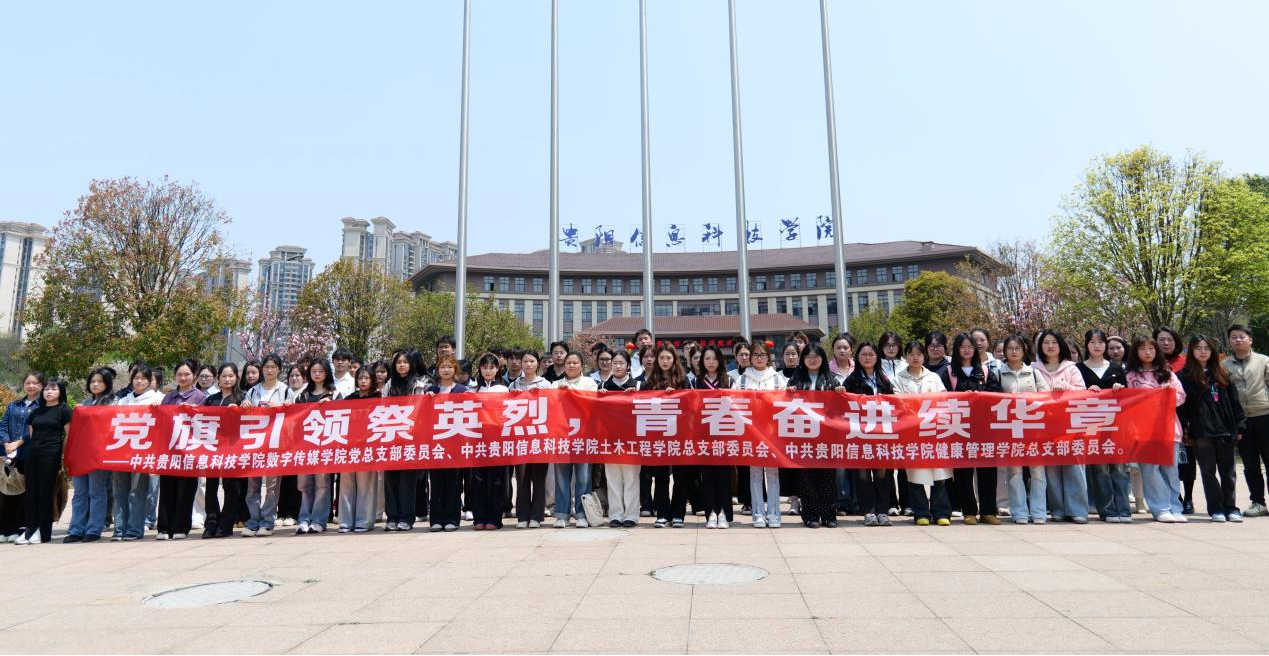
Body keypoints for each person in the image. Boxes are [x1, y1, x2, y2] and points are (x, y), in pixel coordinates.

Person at [1180, 335, 1245, 522]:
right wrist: (1185, 427)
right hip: (1201, 430)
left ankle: (1231, 508)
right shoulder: (1184, 375)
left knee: (1228, 471)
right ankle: (1216, 509)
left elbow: (1234, 401)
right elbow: (1182, 406)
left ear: (1212, 351)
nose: (1203, 352)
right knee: (1208, 471)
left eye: (1207, 348)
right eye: (1198, 348)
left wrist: (1240, 425)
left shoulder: (1221, 372)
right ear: (1192, 351)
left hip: (1225, 428)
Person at [939, 332, 1002, 525]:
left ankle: (988, 511)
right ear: (956, 349)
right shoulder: (948, 372)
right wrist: (961, 397)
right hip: (959, 428)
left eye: (970, 347)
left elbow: (997, 394)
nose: (967, 350)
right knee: (963, 472)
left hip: (984, 428)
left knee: (988, 471)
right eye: (963, 347)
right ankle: (969, 511)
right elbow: (941, 397)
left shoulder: (984, 371)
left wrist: (979, 396)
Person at [1126, 335, 1188, 523]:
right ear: (1136, 352)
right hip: (1143, 429)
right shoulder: (1130, 375)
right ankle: (1160, 508)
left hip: (1168, 428)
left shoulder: (1167, 373)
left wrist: (1170, 393)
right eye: (1143, 349)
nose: (1147, 352)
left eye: (1151, 349)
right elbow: (1126, 401)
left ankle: (1175, 507)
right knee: (1150, 470)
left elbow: (1181, 397)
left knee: (1171, 469)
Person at [1033, 329, 1090, 523]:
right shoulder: (1034, 368)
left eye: (1054, 342)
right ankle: (1057, 509)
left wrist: (1067, 388)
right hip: (1045, 424)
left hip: (1071, 424)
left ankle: (1078, 510)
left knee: (1075, 466)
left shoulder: (1071, 368)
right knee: (1052, 468)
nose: (1050, 346)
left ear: (1061, 346)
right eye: (1045, 342)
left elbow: (1082, 392)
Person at [893, 341, 953, 526]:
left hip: (935, 431)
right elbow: (897, 402)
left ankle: (941, 512)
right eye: (911, 354)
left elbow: (943, 399)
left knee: (940, 474)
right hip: (912, 432)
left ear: (924, 356)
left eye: (919, 354)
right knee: (915, 476)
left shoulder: (933, 377)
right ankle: (921, 513)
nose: (915, 358)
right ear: (906, 356)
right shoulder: (898, 378)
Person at [1078, 329, 1132, 522]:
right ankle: (1107, 510)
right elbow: (1074, 394)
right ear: (1086, 345)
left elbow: (1128, 398)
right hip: (1091, 426)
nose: (1097, 346)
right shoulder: (1079, 369)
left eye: (1100, 342)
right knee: (1100, 470)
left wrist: (1119, 389)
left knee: (1119, 468)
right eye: (1092, 342)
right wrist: (1085, 391)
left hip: (1115, 425)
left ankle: (1124, 510)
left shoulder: (1116, 368)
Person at [8, 380, 72, 545]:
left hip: (51, 454)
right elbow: (31, 434)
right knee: (31, 494)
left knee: (45, 493)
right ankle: (29, 530)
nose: (49, 391)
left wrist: (63, 454)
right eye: (47, 389)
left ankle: (42, 532)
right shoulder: (36, 411)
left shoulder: (64, 410)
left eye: (54, 389)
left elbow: (68, 435)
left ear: (60, 392)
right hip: (33, 455)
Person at [998, 334, 1052, 524]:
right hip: (1010, 429)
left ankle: (1039, 512)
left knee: (1038, 472)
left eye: (1017, 348)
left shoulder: (1034, 373)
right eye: (1010, 348)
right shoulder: (998, 373)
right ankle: (1019, 511)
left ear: (1024, 350)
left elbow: (1046, 396)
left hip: (1033, 429)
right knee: (1014, 473)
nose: (1014, 351)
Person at [842, 343, 897, 527]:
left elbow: (894, 402)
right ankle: (869, 511)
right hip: (860, 434)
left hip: (882, 434)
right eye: (863, 354)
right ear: (857, 358)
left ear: (877, 357)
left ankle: (883, 511)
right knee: (863, 475)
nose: (867, 358)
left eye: (871, 354)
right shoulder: (851, 380)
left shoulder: (885, 379)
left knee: (883, 474)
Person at [734, 341, 787, 528]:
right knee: (755, 474)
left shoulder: (777, 378)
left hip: (772, 433)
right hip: (751, 433)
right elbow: (733, 403)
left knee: (772, 474)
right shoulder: (742, 379)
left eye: (762, 354)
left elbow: (785, 402)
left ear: (768, 357)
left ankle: (774, 514)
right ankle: (758, 514)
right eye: (755, 354)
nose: (759, 358)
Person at [242, 354, 296, 537]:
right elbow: (245, 415)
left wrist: (282, 407)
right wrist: (244, 405)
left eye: (273, 367)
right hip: (255, 443)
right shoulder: (253, 391)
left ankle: (267, 521)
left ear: (279, 369)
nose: (269, 370)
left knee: (272, 486)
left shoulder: (286, 391)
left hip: (275, 444)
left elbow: (293, 417)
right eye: (266, 367)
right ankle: (253, 521)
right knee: (253, 486)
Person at [788, 343, 842, 528]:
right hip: (803, 435)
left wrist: (839, 392)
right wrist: (789, 392)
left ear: (823, 359)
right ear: (803, 359)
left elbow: (840, 406)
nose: (812, 360)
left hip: (826, 435)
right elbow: (786, 403)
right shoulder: (796, 378)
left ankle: (829, 514)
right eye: (808, 356)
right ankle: (810, 514)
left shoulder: (831, 379)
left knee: (827, 476)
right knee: (806, 476)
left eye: (816, 356)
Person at [156, 358, 208, 540]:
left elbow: (208, 422)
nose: (183, 377)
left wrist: (195, 411)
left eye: (187, 374)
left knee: (186, 490)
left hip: (190, 451)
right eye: (180, 374)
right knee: (167, 489)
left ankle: (180, 527)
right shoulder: (168, 397)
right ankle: (164, 527)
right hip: (169, 450)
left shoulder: (201, 397)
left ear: (194, 376)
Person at [109, 366, 162, 541]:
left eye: (143, 378)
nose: (139, 381)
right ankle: (119, 529)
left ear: (149, 380)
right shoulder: (123, 400)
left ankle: (134, 529)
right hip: (121, 450)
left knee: (137, 492)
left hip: (143, 452)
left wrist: (159, 409)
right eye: (136, 378)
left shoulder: (158, 398)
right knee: (119, 491)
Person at [65, 368, 115, 543]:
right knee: (79, 492)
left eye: (100, 381)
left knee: (96, 491)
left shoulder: (114, 403)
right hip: (81, 453)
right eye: (92, 381)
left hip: (99, 454)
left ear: (107, 383)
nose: (95, 384)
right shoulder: (84, 404)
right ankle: (76, 529)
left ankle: (94, 529)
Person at [1224, 324, 1269, 517]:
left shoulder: (1263, 361)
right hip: (1241, 421)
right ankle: (1258, 502)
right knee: (1250, 464)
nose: (1238, 340)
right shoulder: (1224, 365)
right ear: (1229, 341)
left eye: (1241, 336)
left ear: (1250, 339)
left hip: (1265, 415)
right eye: (1234, 337)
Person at [640, 345, 686, 528]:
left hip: (680, 435)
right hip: (658, 435)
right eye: (661, 358)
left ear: (674, 359)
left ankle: (678, 514)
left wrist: (676, 395)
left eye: (668, 358)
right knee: (661, 477)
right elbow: (641, 404)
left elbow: (691, 405)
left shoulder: (683, 380)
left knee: (681, 477)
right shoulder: (650, 382)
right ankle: (662, 513)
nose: (665, 361)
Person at [381, 349, 426, 532]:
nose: (402, 365)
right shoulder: (389, 385)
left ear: (411, 365)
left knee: (407, 481)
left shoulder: (418, 384)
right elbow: (382, 407)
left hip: (410, 437)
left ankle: (407, 517)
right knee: (390, 479)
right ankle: (392, 517)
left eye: (405, 362)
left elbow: (421, 409)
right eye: (399, 362)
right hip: (391, 436)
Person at [423, 354, 469, 532]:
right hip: (436, 443)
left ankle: (451, 518)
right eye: (443, 367)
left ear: (455, 369)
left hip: (455, 442)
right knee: (436, 482)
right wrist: (426, 399)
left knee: (454, 483)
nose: (446, 370)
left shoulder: (462, 390)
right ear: (437, 370)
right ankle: (436, 519)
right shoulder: (431, 390)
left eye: (450, 366)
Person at [295, 358, 341, 535]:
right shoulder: (303, 395)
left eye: (320, 371)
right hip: (305, 445)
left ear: (327, 373)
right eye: (313, 371)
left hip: (325, 446)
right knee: (305, 485)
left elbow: (343, 416)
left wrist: (332, 405)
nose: (317, 374)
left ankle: (318, 520)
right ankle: (304, 519)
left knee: (322, 485)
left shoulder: (334, 394)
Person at [553, 351, 598, 528]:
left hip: (583, 436)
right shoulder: (555, 384)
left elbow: (591, 403)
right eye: (568, 363)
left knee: (583, 478)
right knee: (561, 478)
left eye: (575, 363)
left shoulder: (589, 383)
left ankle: (582, 514)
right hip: (561, 436)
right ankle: (562, 514)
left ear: (581, 366)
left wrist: (570, 391)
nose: (571, 366)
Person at [202, 363, 247, 538]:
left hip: (233, 449)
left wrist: (244, 408)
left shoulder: (242, 397)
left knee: (231, 487)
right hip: (213, 448)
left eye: (231, 376)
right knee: (211, 487)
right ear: (218, 379)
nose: (227, 379)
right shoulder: (211, 399)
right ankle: (211, 522)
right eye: (224, 376)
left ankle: (226, 524)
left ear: (236, 377)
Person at [692, 346, 733, 529]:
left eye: (714, 358)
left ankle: (723, 512)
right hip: (704, 435)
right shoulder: (696, 381)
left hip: (724, 434)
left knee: (724, 475)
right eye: (707, 358)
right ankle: (711, 513)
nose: (710, 362)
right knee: (707, 476)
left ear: (720, 360)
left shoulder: (729, 380)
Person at [511, 350, 552, 528]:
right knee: (522, 478)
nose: (528, 364)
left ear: (538, 364)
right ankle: (522, 516)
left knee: (539, 478)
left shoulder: (545, 384)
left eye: (532, 361)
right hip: (519, 437)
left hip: (539, 437)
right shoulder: (514, 385)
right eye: (525, 361)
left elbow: (552, 408)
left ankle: (536, 516)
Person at [1156, 326, 1194, 513]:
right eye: (1161, 339)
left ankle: (1188, 497)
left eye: (1170, 339)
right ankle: (1172, 497)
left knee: (1187, 459)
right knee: (1166, 462)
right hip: (1160, 419)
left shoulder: (1186, 363)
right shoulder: (1151, 365)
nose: (1166, 343)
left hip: (1185, 416)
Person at [602, 350, 642, 528]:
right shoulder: (603, 386)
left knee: (631, 478)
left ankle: (631, 515)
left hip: (631, 440)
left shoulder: (638, 385)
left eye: (621, 363)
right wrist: (599, 396)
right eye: (615, 363)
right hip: (610, 440)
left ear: (628, 366)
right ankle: (616, 514)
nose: (618, 366)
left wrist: (636, 396)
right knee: (612, 479)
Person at [469, 354, 509, 531]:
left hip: (497, 440)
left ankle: (494, 517)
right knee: (477, 480)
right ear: (479, 369)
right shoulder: (473, 389)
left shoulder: (503, 389)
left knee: (496, 481)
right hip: (477, 440)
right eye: (484, 367)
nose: (488, 371)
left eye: (491, 367)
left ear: (497, 369)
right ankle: (479, 517)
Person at [338, 366, 380, 533]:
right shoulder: (350, 398)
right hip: (349, 446)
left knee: (365, 485)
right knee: (346, 484)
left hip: (368, 446)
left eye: (366, 378)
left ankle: (364, 521)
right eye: (360, 378)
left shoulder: (379, 398)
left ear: (372, 380)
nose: (363, 381)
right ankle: (346, 521)